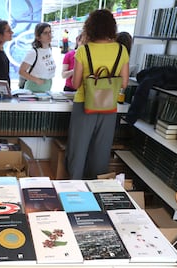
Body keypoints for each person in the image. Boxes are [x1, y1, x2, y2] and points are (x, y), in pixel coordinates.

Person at [65, 9, 130, 179]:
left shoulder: (83, 50)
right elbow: (124, 83)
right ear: (111, 27)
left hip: (84, 104)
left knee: (78, 150)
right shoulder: (121, 50)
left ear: (90, 27)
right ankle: (96, 189)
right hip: (109, 105)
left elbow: (76, 84)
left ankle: (74, 189)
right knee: (101, 151)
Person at [18, 23, 56, 93]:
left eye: (50, 32)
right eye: (45, 33)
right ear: (38, 37)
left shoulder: (49, 49)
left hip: (47, 87)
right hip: (34, 88)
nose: (49, 35)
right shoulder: (33, 52)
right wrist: (36, 80)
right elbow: (21, 71)